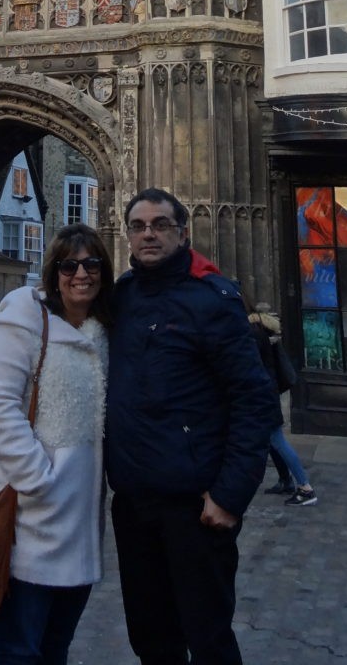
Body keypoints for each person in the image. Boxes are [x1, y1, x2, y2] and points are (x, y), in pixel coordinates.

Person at [106, 188, 281, 665]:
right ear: (127, 235)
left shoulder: (212, 299)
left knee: (207, 638)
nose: (149, 234)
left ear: (183, 232)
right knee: (151, 636)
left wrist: (230, 495)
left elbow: (254, 399)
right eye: (139, 226)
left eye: (160, 224)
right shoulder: (120, 296)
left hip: (194, 505)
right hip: (134, 502)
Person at [0, 223, 112, 665]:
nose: (81, 274)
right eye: (69, 265)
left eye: (92, 264)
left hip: (79, 524)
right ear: (53, 271)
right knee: (18, 650)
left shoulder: (103, 331)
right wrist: (39, 478)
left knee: (55, 649)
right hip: (28, 519)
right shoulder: (23, 320)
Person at [246, 298, 317, 505]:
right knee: (271, 442)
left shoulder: (252, 334)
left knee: (277, 441)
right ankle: (286, 480)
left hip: (262, 396)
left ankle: (305, 488)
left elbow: (250, 367)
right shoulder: (262, 330)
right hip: (267, 393)